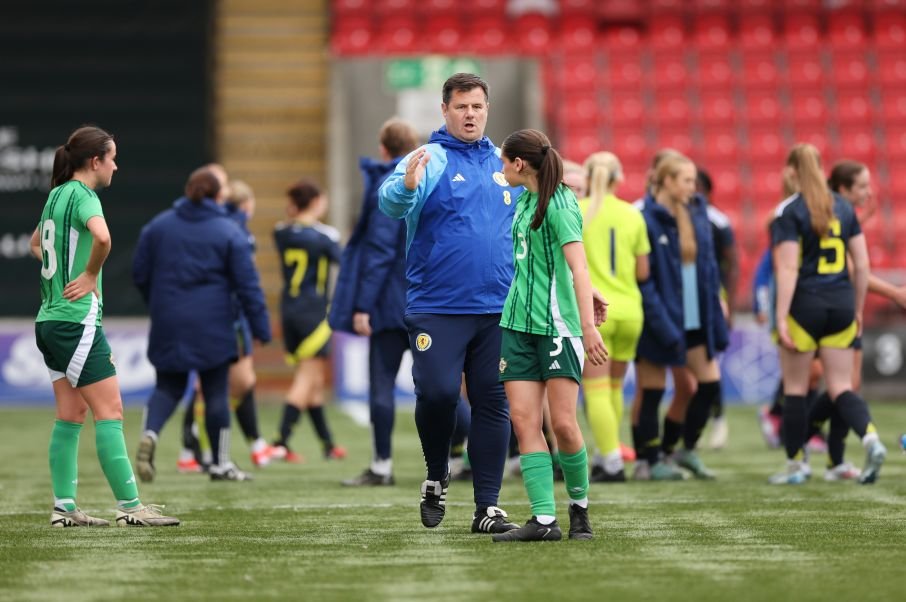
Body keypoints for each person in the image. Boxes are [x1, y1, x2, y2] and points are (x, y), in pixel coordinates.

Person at [378, 73, 523, 534]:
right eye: (461, 107)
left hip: (498, 307)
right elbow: (390, 203)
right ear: (445, 110)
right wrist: (406, 186)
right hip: (437, 307)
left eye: (477, 106)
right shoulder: (428, 158)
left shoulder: (505, 163)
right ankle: (437, 473)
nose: (470, 114)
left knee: (493, 402)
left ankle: (487, 507)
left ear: (487, 109)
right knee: (439, 394)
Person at [32, 125, 178, 526]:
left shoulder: (55, 195)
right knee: (110, 410)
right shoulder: (84, 195)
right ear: (95, 161)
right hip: (74, 320)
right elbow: (103, 238)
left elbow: (35, 244)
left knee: (70, 414)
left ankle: (64, 508)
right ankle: (131, 507)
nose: (116, 166)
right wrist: (90, 274)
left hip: (48, 320)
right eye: (112, 158)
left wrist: (65, 275)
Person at [492, 129, 607, 542]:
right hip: (516, 324)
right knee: (525, 421)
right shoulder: (525, 199)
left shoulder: (559, 203)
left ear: (519, 163)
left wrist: (588, 327)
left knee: (563, 424)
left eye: (504, 161)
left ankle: (579, 510)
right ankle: (544, 520)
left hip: (558, 326)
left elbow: (578, 266)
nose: (501, 169)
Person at [133, 166, 271, 482]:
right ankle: (221, 463)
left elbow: (140, 273)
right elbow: (248, 285)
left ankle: (150, 433)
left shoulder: (158, 226)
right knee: (215, 392)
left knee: (167, 387)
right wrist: (260, 327)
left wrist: (159, 303)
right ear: (219, 196)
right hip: (214, 323)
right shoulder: (228, 231)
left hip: (168, 319)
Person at [769, 144, 886, 485]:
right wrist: (858, 307)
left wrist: (780, 317)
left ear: (792, 171)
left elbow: (787, 268)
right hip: (841, 304)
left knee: (795, 388)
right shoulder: (844, 207)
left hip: (805, 305)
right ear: (821, 169)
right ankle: (871, 439)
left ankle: (796, 465)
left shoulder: (789, 210)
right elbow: (861, 264)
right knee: (841, 386)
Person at [801, 160, 906, 481]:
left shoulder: (836, 213)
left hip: (835, 307)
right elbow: (849, 268)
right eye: (861, 186)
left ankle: (819, 448)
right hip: (833, 309)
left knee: (845, 386)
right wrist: (894, 293)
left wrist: (864, 218)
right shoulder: (835, 214)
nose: (868, 191)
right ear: (843, 189)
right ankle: (803, 438)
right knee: (844, 386)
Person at [331, 118, 420, 486]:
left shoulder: (388, 185)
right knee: (441, 387)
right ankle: (468, 455)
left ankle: (382, 465)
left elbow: (381, 252)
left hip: (389, 303)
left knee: (382, 386)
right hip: (427, 300)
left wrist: (363, 305)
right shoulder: (431, 179)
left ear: (383, 149)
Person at [633, 151, 728, 481]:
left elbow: (709, 265)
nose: (693, 186)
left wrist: (717, 300)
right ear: (668, 181)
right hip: (657, 318)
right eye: (687, 180)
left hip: (695, 316)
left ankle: (679, 449)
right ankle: (648, 461)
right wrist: (659, 319)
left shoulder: (698, 211)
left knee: (709, 385)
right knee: (652, 390)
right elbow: (644, 280)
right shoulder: (643, 217)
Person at [178, 177, 274, 472]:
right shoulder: (237, 233)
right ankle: (201, 448)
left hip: (209, 314)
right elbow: (246, 283)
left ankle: (200, 447)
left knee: (224, 384)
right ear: (246, 205)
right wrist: (258, 323)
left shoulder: (214, 227)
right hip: (229, 318)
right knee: (224, 384)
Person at [578, 151, 650, 482]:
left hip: (595, 312)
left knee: (596, 390)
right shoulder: (632, 215)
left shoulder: (576, 211)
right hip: (631, 311)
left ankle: (610, 460)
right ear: (618, 179)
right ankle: (607, 451)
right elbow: (643, 271)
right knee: (615, 388)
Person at [271, 179, 346, 462]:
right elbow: (344, 263)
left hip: (288, 311)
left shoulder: (281, 232)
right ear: (315, 202)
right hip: (314, 312)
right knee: (306, 379)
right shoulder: (325, 236)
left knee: (314, 381)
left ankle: (328, 444)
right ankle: (280, 442)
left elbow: (290, 224)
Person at [696, 168, 739, 450]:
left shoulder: (717, 221)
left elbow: (732, 264)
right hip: (685, 302)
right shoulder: (674, 218)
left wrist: (730, 305)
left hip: (713, 301)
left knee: (709, 363)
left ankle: (718, 419)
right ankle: (696, 425)